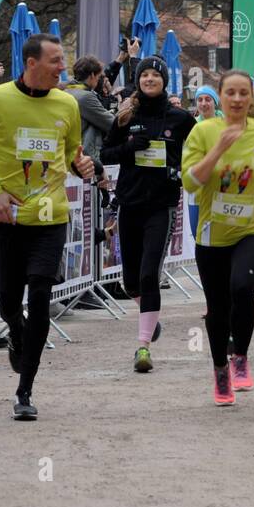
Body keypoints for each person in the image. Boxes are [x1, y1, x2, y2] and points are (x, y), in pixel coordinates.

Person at [0, 33, 95, 420]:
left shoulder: (67, 103)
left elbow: (69, 153)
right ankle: (16, 332)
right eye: (55, 61)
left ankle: (25, 391)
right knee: (8, 303)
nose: (62, 68)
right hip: (6, 219)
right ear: (30, 62)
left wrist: (81, 165)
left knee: (40, 297)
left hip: (50, 219)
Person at [182, 70, 254, 406]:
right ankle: (219, 370)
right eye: (230, 92)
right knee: (218, 308)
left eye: (243, 93)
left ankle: (240, 357)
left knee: (242, 287)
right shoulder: (203, 132)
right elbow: (190, 182)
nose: (237, 99)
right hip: (213, 232)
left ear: (252, 98)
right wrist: (218, 149)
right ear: (220, 96)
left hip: (253, 226)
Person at [101, 55, 196, 373]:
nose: (150, 79)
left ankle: (143, 347)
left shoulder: (180, 119)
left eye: (156, 75)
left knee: (148, 275)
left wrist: (183, 166)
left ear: (165, 81)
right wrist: (130, 148)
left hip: (162, 204)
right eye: (145, 75)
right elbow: (105, 153)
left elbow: (199, 150)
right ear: (138, 80)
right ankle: (149, 318)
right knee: (130, 283)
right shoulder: (126, 114)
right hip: (130, 202)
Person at [65, 56, 116, 168]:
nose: (99, 81)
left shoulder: (68, 90)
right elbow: (111, 124)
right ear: (92, 75)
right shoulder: (85, 96)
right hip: (84, 157)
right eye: (98, 77)